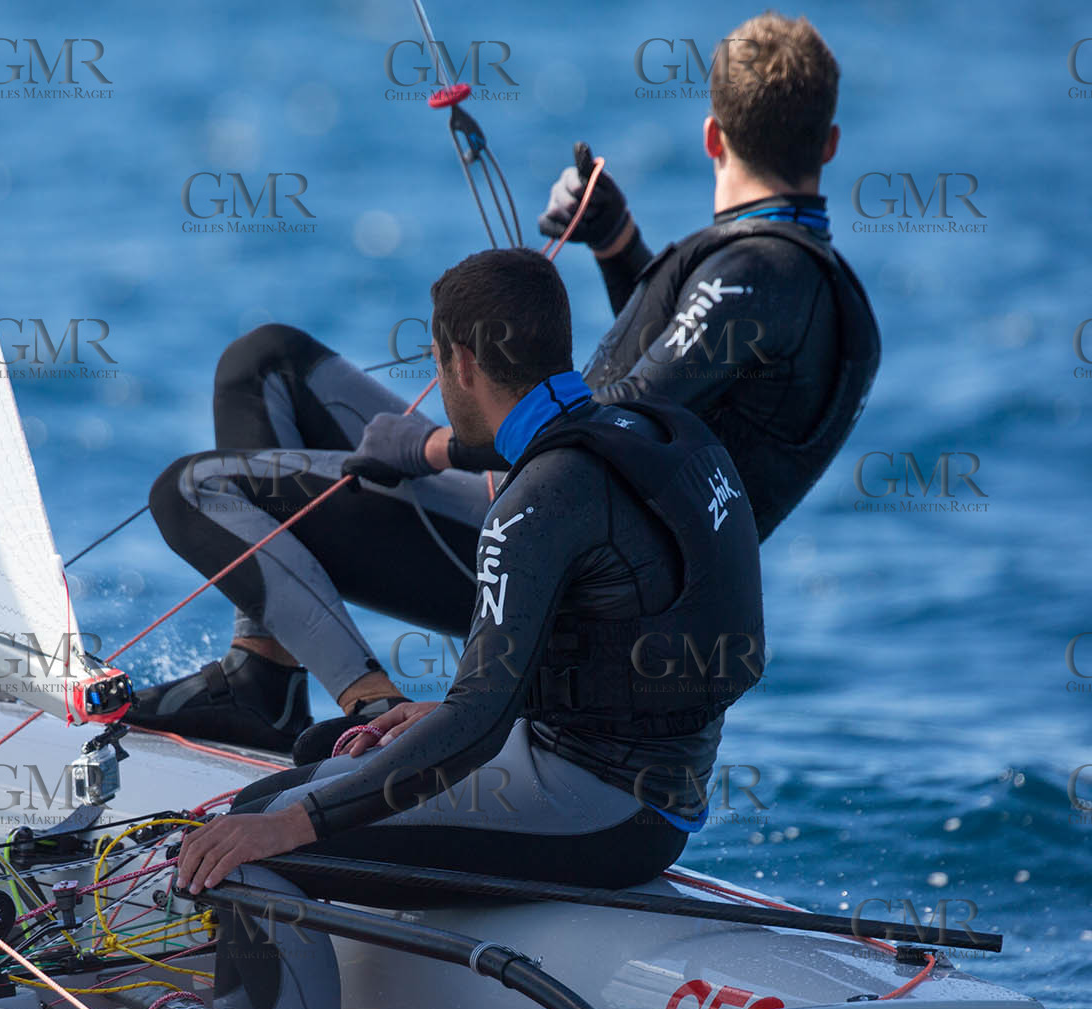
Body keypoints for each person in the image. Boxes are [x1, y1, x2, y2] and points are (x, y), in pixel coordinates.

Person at [130, 12, 874, 754]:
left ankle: (375, 715)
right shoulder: (802, 281)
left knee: (196, 490)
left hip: (550, 550)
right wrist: (619, 247)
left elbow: (615, 423)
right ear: (829, 143)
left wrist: (432, 447)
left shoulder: (762, 272)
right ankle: (264, 677)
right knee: (266, 364)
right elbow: (678, 403)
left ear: (712, 134)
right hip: (561, 508)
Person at [172, 246, 764, 1009]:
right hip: (649, 784)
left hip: (600, 809)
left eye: (437, 363)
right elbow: (602, 648)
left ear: (461, 360)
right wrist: (441, 713)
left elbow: (478, 727)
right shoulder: (660, 430)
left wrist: (288, 827)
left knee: (249, 839)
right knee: (323, 744)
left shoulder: (534, 505)